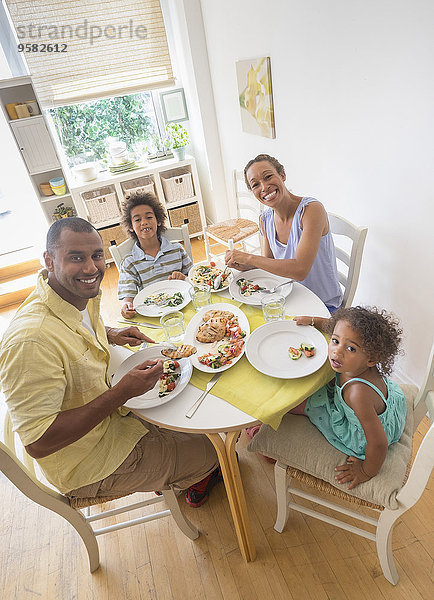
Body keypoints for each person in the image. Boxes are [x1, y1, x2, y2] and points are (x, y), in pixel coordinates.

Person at [0, 217, 221, 507]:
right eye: (76, 258)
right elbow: (39, 443)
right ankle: (187, 477)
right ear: (49, 260)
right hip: (89, 460)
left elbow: (75, 328)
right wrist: (121, 393)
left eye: (97, 255)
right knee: (216, 453)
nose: (91, 268)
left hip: (117, 416)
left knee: (204, 421)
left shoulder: (73, 294)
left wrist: (111, 333)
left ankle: (171, 468)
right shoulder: (30, 342)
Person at [289, 306, 406, 489]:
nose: (337, 351)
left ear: (372, 359)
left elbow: (379, 442)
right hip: (380, 409)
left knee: (299, 402)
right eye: (335, 341)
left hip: (366, 436)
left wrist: (366, 471)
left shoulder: (357, 394)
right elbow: (335, 326)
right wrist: (312, 320)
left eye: (350, 348)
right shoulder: (361, 363)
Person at [225, 154, 343, 312]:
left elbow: (300, 270)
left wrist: (249, 257)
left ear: (282, 175)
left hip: (322, 306)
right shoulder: (265, 219)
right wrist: (245, 265)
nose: (264, 187)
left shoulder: (311, 210)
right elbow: (268, 263)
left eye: (268, 177)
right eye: (255, 185)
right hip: (289, 299)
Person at [118, 191, 193, 319]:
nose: (144, 222)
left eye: (149, 217)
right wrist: (126, 307)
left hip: (183, 307)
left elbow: (193, 278)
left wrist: (184, 277)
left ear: (158, 221)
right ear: (131, 227)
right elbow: (128, 297)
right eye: (137, 219)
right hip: (152, 313)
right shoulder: (130, 262)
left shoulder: (177, 249)